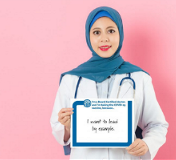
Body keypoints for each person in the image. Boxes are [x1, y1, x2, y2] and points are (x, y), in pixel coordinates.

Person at [50, 6, 169, 160]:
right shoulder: (71, 80)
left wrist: (147, 143)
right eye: (96, 32)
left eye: (111, 31)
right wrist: (66, 126)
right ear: (88, 36)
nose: (104, 38)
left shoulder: (139, 78)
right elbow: (59, 130)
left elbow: (157, 124)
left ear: (120, 34)